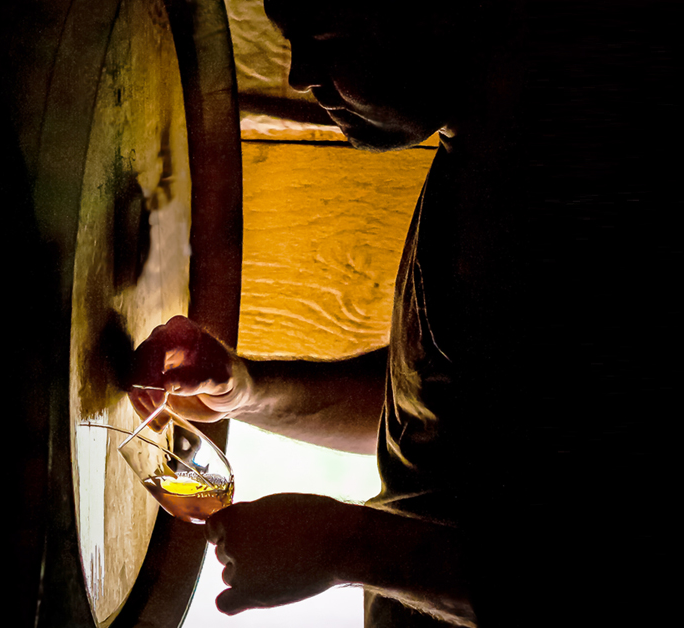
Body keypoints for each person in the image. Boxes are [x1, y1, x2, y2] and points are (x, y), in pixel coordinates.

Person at [128, 1, 675, 626]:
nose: (299, 75)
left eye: (328, 35)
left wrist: (346, 543)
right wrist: (248, 390)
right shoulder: (475, 152)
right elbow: (438, 408)